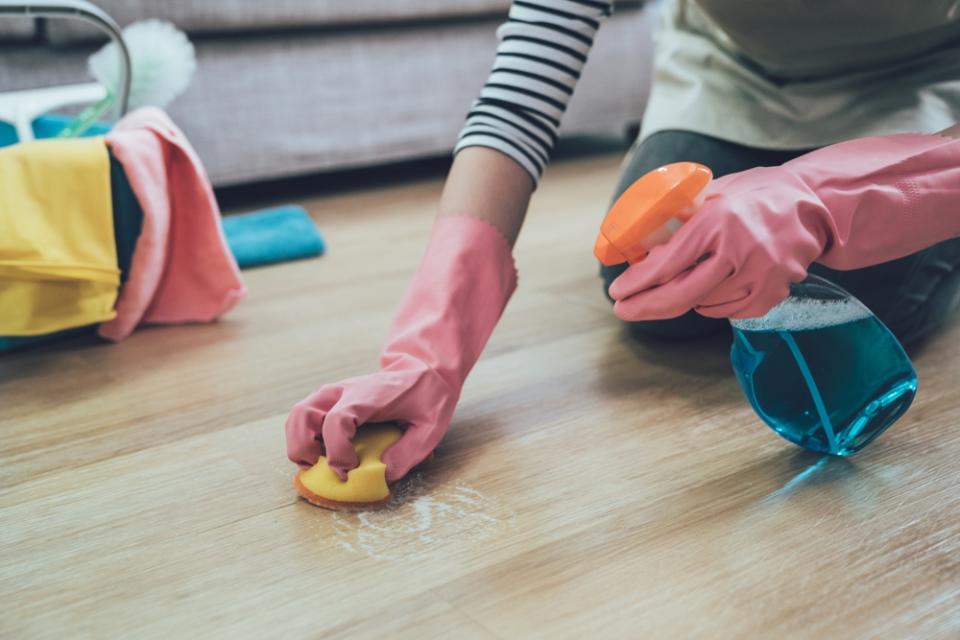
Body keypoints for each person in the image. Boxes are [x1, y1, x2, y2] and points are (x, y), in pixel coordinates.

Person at [286, 1, 960, 482]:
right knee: (652, 273)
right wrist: (428, 351)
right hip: (740, 76)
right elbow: (522, 93)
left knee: (869, 286)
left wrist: (826, 198)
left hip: (926, 88)